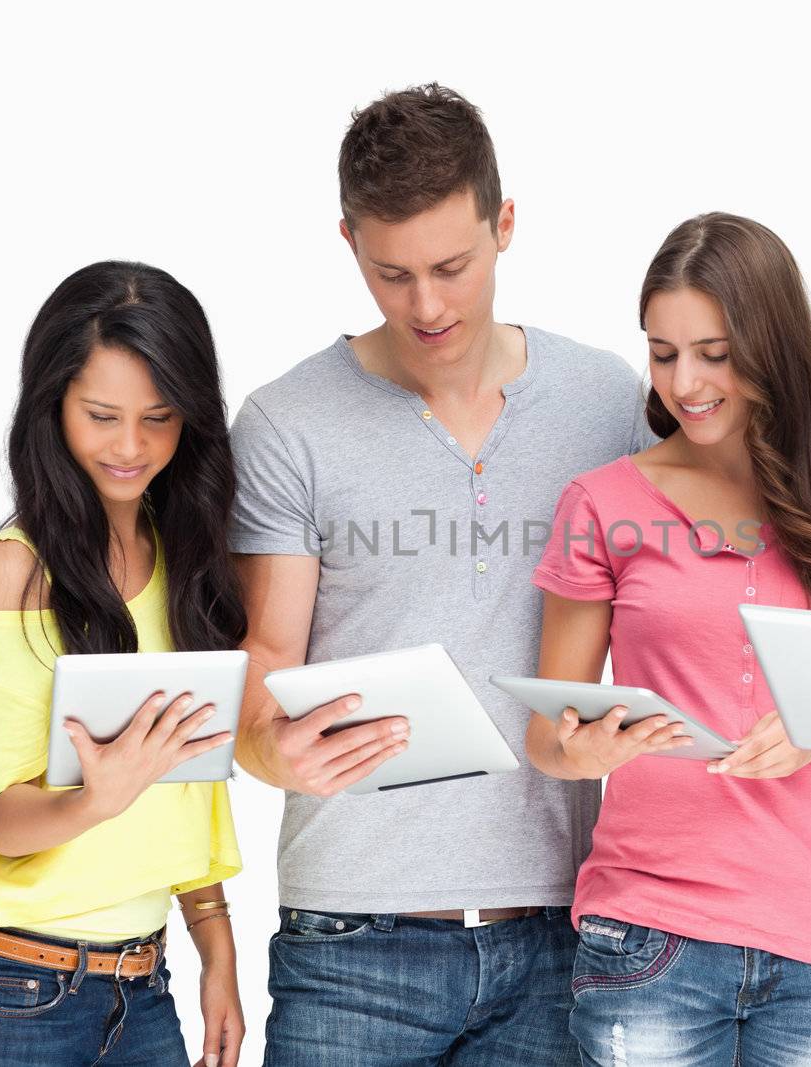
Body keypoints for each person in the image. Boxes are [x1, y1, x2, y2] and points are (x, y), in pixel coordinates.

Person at [227, 84, 650, 1065]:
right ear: (348, 242)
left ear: (505, 224)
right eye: (391, 272)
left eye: (452, 267)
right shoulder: (287, 420)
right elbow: (268, 652)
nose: (426, 305)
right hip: (350, 935)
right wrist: (266, 750)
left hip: (554, 928)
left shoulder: (602, 401)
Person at [528, 212, 811, 1067]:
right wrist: (591, 747)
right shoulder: (601, 503)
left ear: (769, 344)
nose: (686, 381)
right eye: (663, 351)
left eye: (714, 352)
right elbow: (547, 737)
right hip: (649, 939)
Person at [0, 262, 249, 1067]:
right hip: (4, 990)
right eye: (101, 416)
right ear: (53, 404)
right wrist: (98, 798)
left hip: (143, 986)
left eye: (159, 418)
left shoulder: (186, 563)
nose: (131, 447)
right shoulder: (13, 571)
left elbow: (183, 784)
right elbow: (1, 821)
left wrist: (217, 947)